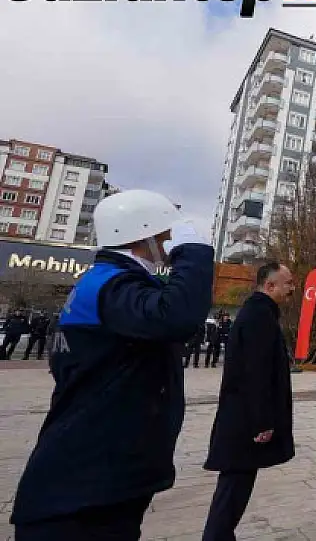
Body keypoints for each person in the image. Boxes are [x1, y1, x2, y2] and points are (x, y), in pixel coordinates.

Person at [9, 189, 213, 540]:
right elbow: (176, 317)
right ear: (143, 236)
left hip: (99, 477)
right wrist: (193, 254)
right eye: (165, 237)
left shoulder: (111, 284)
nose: (168, 246)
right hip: (84, 489)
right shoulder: (111, 286)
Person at [201, 262, 296, 541]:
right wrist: (263, 422)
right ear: (270, 286)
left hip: (242, 420)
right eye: (288, 283)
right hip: (244, 424)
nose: (292, 288)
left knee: (234, 489)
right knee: (232, 491)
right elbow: (255, 372)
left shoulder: (260, 313)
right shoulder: (259, 317)